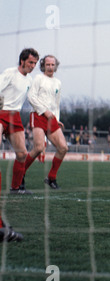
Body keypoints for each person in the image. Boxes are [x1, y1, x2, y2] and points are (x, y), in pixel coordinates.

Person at [25, 54, 68, 190]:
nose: (50, 67)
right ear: (43, 65)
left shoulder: (58, 83)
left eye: (52, 65)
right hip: (38, 115)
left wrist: (57, 119)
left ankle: (51, 178)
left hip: (51, 118)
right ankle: (21, 173)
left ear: (56, 66)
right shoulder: (38, 78)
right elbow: (31, 97)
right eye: (47, 64)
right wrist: (44, 111)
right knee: (38, 148)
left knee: (63, 148)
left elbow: (56, 103)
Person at [0, 48, 39, 195]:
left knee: (22, 154)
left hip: (15, 116)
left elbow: (33, 100)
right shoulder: (9, 73)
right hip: (1, 113)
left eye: (35, 63)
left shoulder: (29, 80)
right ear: (22, 61)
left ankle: (15, 189)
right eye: (30, 62)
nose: (33, 66)